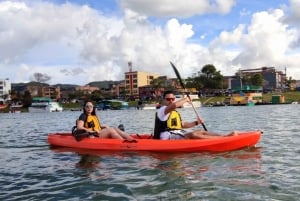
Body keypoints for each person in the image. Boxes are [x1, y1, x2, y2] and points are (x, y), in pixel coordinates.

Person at [154, 91, 238, 140]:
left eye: (173, 99)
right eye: (168, 99)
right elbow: (175, 105)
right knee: (193, 135)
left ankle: (224, 136)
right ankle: (224, 139)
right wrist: (187, 99)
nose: (171, 101)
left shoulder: (174, 112)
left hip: (177, 132)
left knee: (200, 131)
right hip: (167, 135)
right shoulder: (163, 110)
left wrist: (196, 122)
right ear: (164, 100)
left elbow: (182, 125)